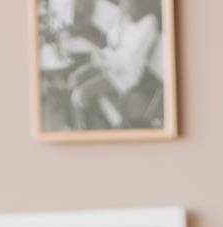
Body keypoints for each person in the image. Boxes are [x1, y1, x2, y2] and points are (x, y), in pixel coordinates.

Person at [68, 0, 161, 131]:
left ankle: (83, 132)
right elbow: (113, 41)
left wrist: (104, 58)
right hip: (110, 67)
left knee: (79, 95)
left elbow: (128, 60)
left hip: (124, 77)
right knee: (74, 79)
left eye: (126, 3)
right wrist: (119, 22)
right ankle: (88, 123)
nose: (123, 5)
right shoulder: (130, 19)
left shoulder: (149, 23)